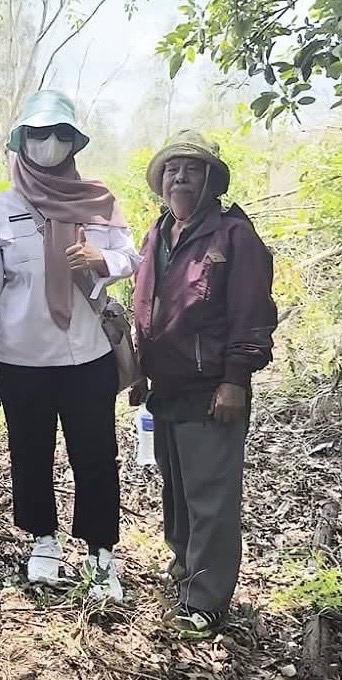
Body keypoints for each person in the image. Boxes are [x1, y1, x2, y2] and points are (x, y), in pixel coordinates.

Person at [0, 90, 140, 601]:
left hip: (88, 354)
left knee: (96, 453)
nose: (49, 143)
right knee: (30, 451)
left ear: (74, 142)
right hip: (22, 357)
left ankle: (101, 553)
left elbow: (132, 257)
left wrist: (102, 260)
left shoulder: (99, 200)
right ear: (22, 140)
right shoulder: (2, 209)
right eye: (39, 134)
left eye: (60, 134)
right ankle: (43, 541)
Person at [132, 130, 277, 637]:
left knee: (210, 495)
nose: (180, 178)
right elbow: (147, 306)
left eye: (192, 169)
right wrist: (139, 369)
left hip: (213, 387)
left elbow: (252, 314)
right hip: (166, 386)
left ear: (212, 180)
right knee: (177, 490)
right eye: (172, 169)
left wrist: (236, 379)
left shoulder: (234, 236)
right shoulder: (158, 233)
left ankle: (207, 599)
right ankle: (184, 566)